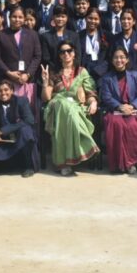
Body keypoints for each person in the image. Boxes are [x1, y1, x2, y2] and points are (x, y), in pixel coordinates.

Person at [42, 41, 99, 175]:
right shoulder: (54, 73)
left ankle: (67, 162)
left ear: (74, 53)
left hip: (76, 107)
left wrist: (93, 102)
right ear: (59, 55)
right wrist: (45, 83)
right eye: (62, 52)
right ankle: (86, 146)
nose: (66, 54)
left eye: (69, 51)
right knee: (63, 105)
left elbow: (90, 92)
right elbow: (46, 98)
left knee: (70, 110)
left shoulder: (81, 71)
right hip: (57, 105)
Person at [99, 47, 137, 174]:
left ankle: (131, 162)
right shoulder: (107, 78)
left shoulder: (135, 75)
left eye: (122, 57)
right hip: (115, 110)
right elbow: (106, 97)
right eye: (116, 57)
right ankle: (117, 164)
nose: (119, 60)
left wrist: (132, 106)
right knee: (116, 124)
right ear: (112, 60)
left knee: (132, 126)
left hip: (133, 110)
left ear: (127, 60)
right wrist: (120, 106)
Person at [0, 6, 42, 110]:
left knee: (28, 111)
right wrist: (8, 73)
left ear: (24, 19)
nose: (17, 20)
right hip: (9, 81)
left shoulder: (33, 35)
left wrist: (28, 74)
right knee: (11, 111)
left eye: (20, 17)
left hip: (27, 80)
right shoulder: (1, 35)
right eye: (14, 17)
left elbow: (37, 56)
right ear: (9, 18)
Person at [109, 8, 137, 74]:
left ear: (134, 21)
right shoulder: (115, 38)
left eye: (129, 19)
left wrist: (134, 72)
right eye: (123, 19)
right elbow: (111, 56)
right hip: (119, 73)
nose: (126, 21)